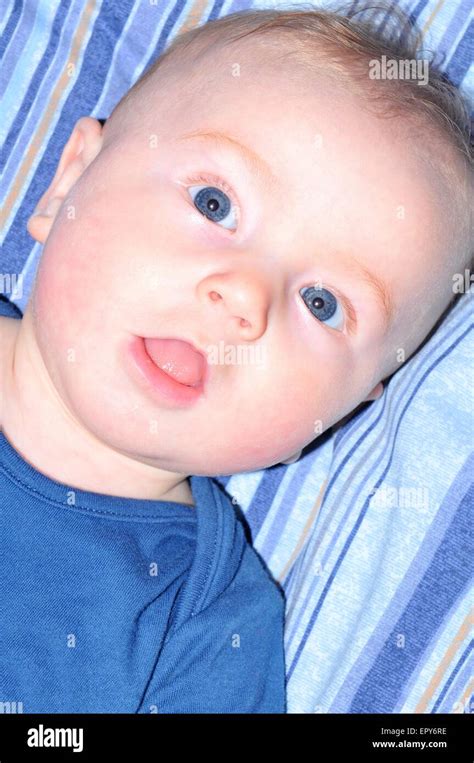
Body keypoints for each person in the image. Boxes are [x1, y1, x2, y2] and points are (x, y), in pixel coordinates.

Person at [0, 6, 471, 713]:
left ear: (342, 409)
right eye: (215, 203)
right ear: (69, 180)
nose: (245, 297)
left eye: (322, 303)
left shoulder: (210, 626)